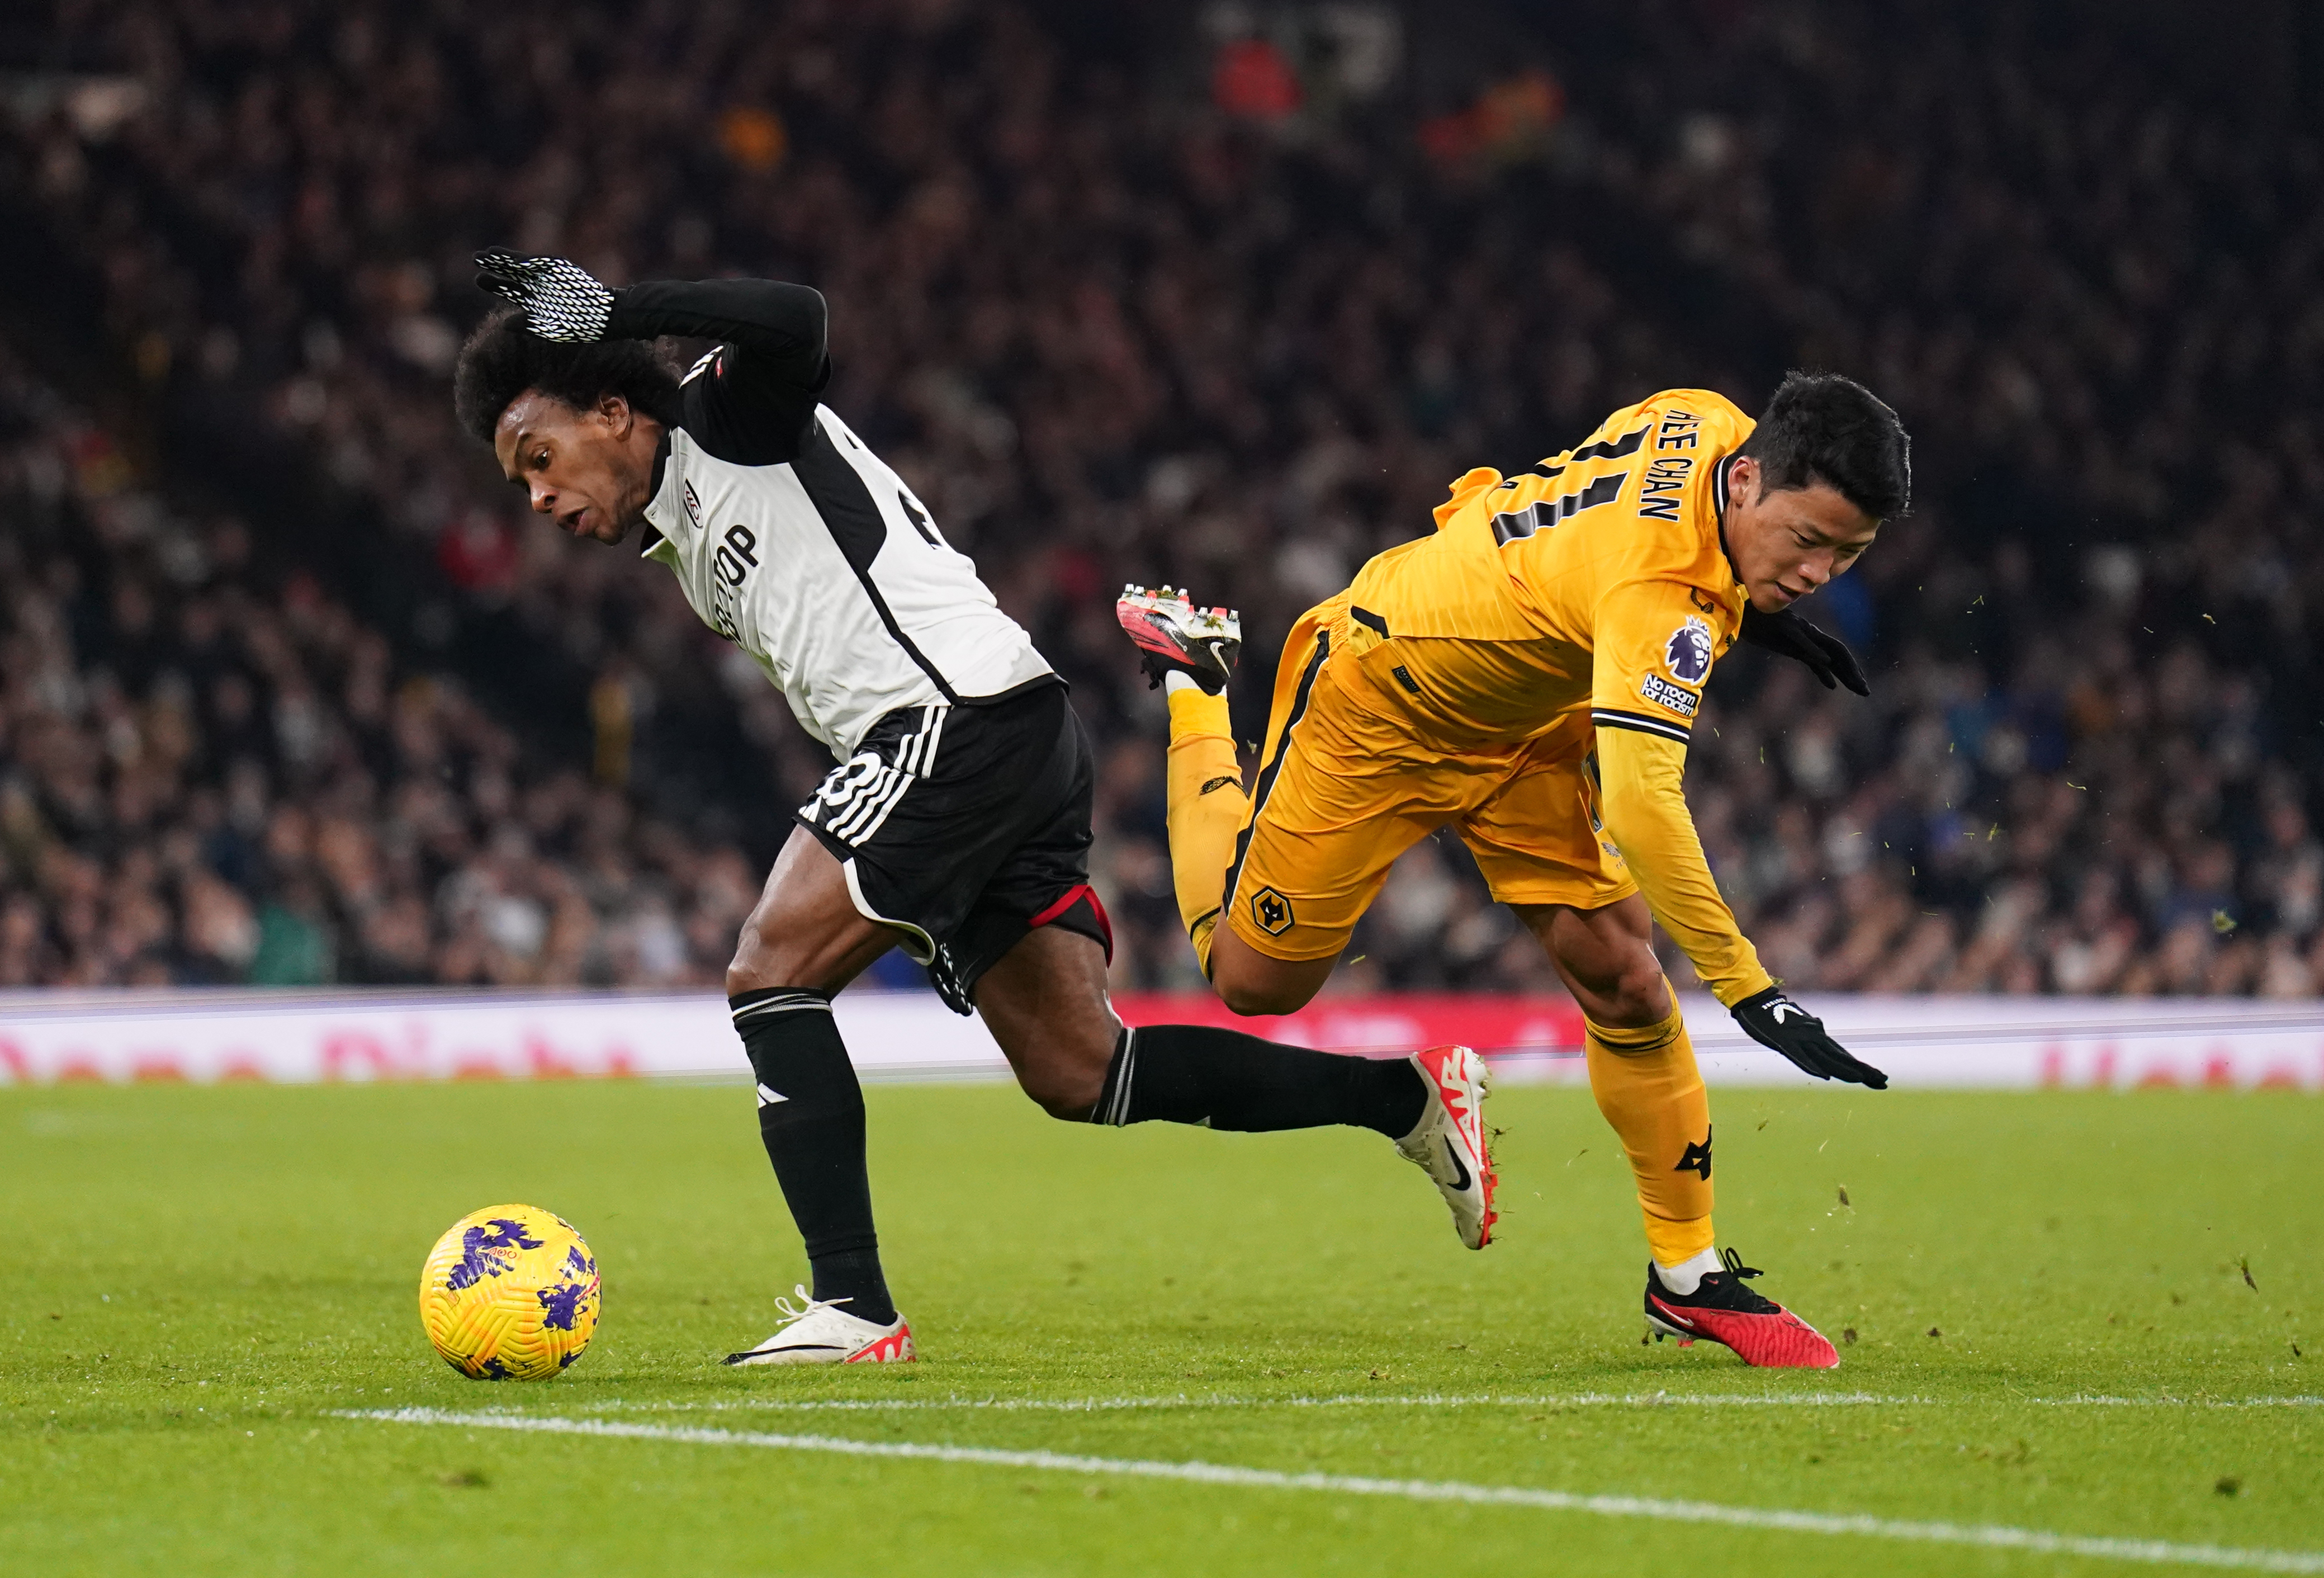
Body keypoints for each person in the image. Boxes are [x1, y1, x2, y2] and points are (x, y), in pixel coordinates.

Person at [449, 252, 1498, 1367]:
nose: (539, 498)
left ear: (614, 411)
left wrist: (620, 311)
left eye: (539, 459)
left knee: (770, 971)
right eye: (518, 483)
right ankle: (1405, 1096)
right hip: (1006, 734)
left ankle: (853, 1304)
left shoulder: (722, 416)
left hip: (959, 722)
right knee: (1084, 1071)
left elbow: (798, 314)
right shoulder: (677, 524)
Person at [1121, 374, 1908, 1368]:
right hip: (1380, 698)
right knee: (1247, 980)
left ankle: (1687, 1275)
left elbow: (1593, 530)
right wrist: (1749, 988)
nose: (1820, 571)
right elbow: (1642, 804)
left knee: (1624, 979)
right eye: (1807, 541)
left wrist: (1757, 607)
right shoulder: (1657, 595)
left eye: (1846, 553)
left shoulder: (1704, 419)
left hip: (1523, 723)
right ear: (1747, 480)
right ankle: (1197, 683)